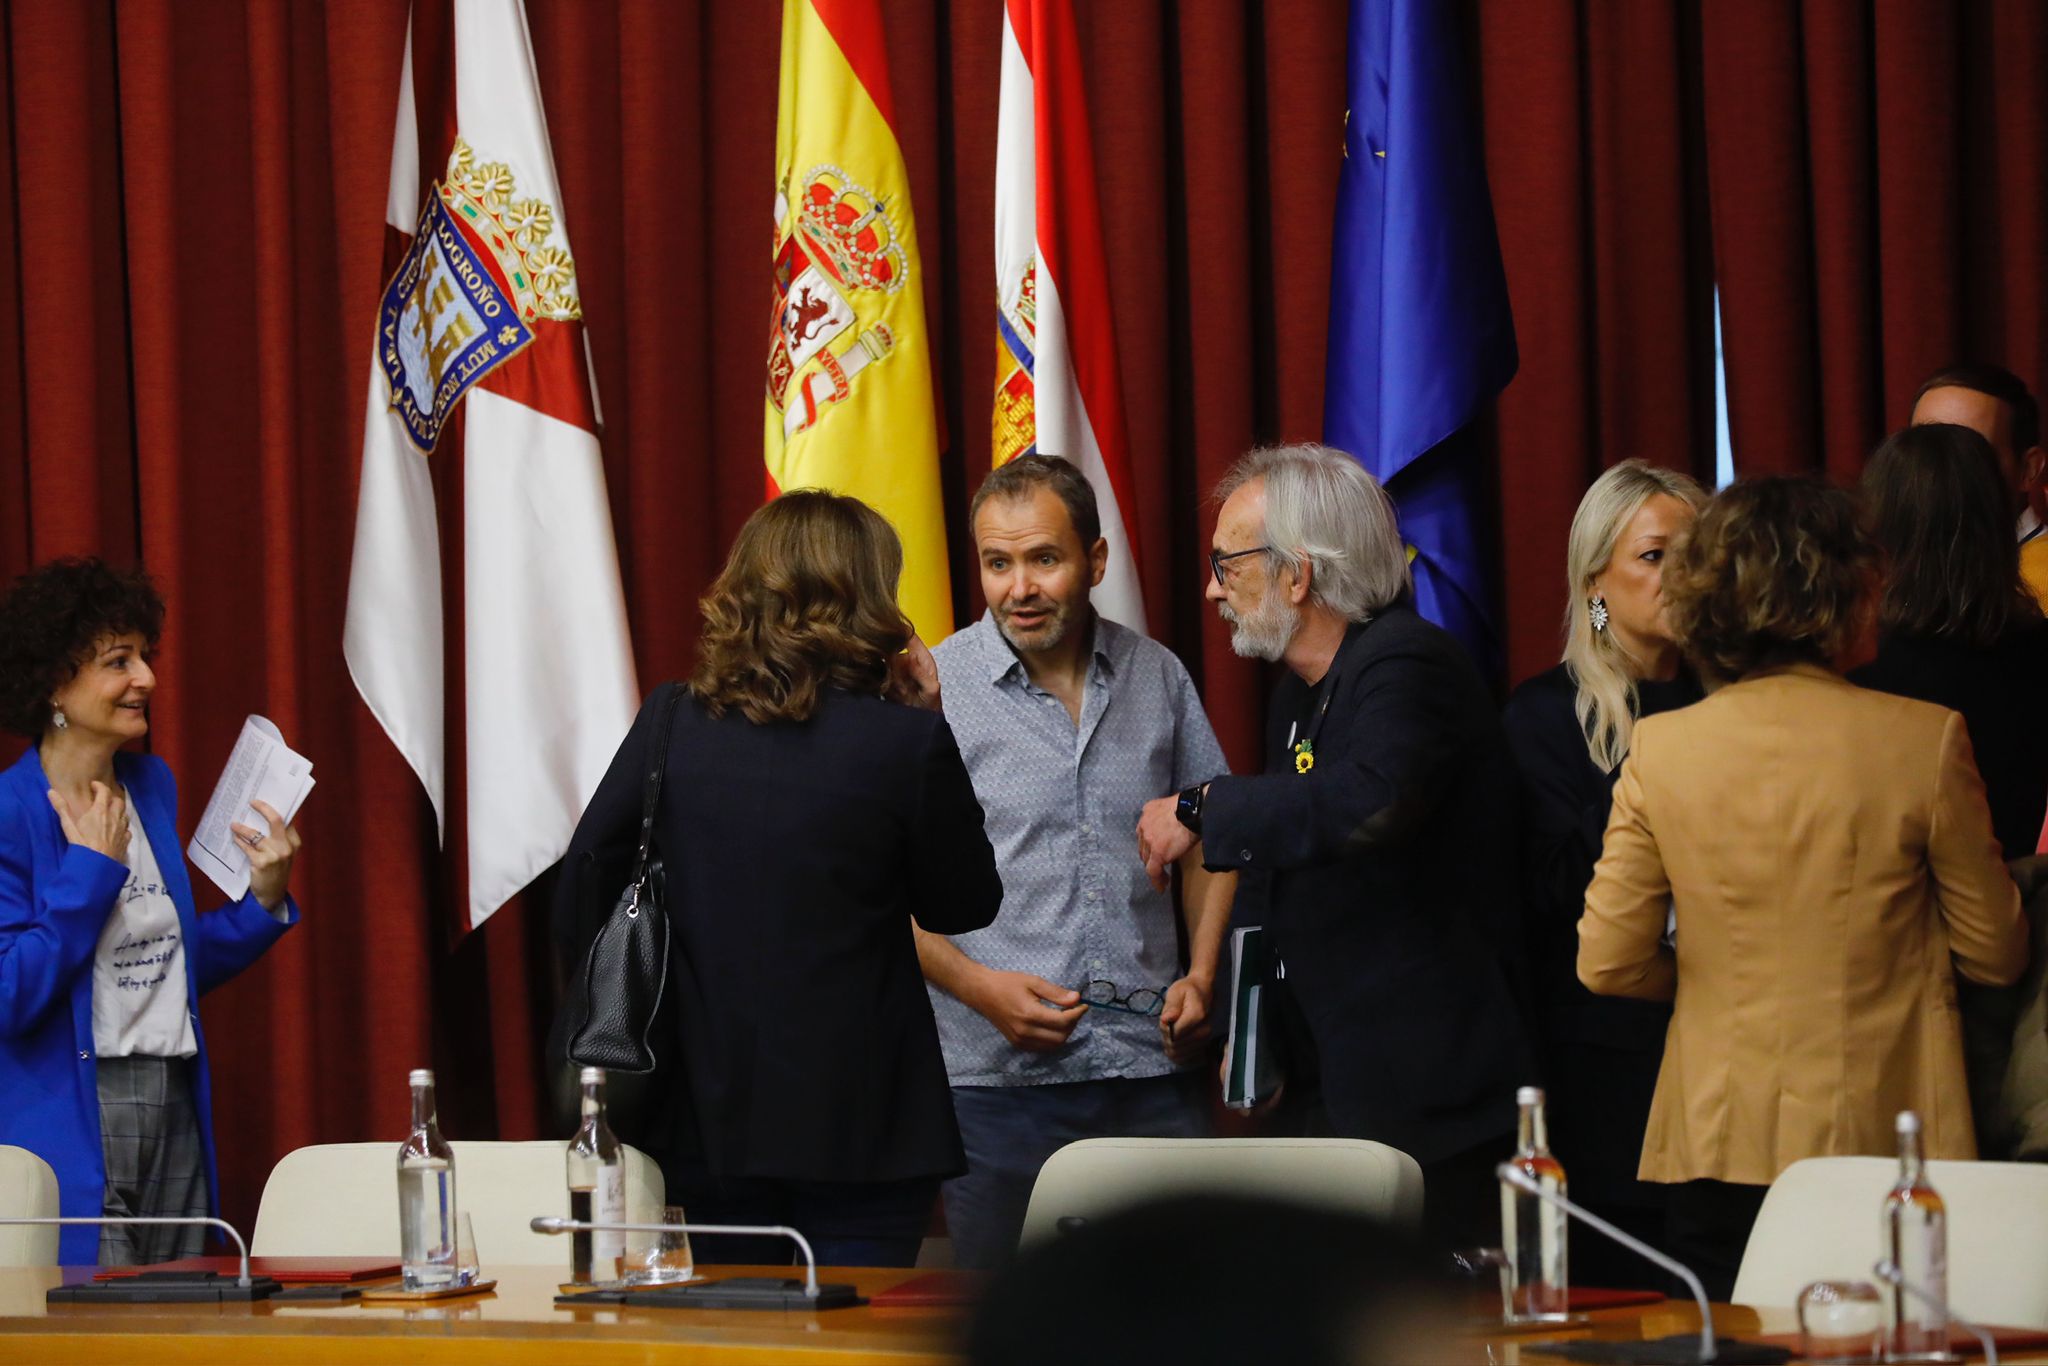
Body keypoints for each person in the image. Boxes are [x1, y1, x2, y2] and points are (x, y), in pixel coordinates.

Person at [1580, 476, 2028, 1299]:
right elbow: (1997, 956)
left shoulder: (1661, 748)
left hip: (1714, 1135)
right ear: (1848, 596)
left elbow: (1606, 963)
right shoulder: (1923, 740)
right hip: (1890, 1139)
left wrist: (1709, 982)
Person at [559, 490, 1002, 1268]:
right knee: (858, 1353)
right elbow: (964, 904)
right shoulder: (903, 744)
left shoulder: (671, 721)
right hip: (867, 1127)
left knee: (730, 1348)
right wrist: (931, 719)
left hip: (702, 1112)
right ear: (871, 599)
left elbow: (587, 877)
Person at [1135, 443, 1531, 1251]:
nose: (1211, 589)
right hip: (1338, 1089)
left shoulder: (1406, 665)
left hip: (1434, 1104)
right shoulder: (1300, 692)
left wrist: (1202, 804)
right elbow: (1293, 867)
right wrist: (1244, 1024)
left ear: (1297, 575)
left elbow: (1368, 805)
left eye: (1227, 563)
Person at [916, 455, 1234, 1269]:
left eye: (1044, 559)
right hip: (997, 1086)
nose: (1019, 586)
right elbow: (878, 889)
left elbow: (1215, 840)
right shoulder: (933, 691)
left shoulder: (1157, 675)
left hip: (1152, 1073)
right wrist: (982, 988)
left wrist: (1201, 975)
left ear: (1094, 561)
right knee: (1012, 1333)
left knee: (1186, 1322)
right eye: (998, 563)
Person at [0, 557, 302, 1266]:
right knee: (101, 1330)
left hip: (173, 1101)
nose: (148, 680)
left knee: (181, 1318)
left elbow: (160, 963)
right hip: (75, 1116)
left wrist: (262, 900)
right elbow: (10, 993)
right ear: (54, 684)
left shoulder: (150, 784)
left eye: (146, 656)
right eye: (118, 661)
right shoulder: (9, 815)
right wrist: (91, 873)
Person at [1502, 459, 1705, 1287]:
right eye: (1656, 557)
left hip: (1728, 1051)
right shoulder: (1540, 717)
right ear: (1596, 580)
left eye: (1698, 555)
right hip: (1607, 1071)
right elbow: (1548, 897)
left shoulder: (1735, 703)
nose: (1681, 577)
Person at [1851, 423, 2048, 859]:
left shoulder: (1853, 659)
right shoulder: (2037, 649)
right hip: (2010, 898)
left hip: (1884, 906)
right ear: (1996, 522)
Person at [1910, 363, 2048, 605]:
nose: (1939, 471)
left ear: (2028, 469)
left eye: (1970, 453)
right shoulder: (1888, 572)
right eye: (1926, 451)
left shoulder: (2042, 584)